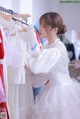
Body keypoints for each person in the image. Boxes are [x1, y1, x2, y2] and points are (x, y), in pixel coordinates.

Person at [25, 12, 80, 119]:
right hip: (55, 88)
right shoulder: (50, 46)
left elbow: (35, 67)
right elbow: (39, 59)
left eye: (44, 26)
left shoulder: (55, 50)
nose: (40, 28)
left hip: (59, 93)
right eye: (40, 25)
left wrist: (22, 60)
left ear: (54, 29)